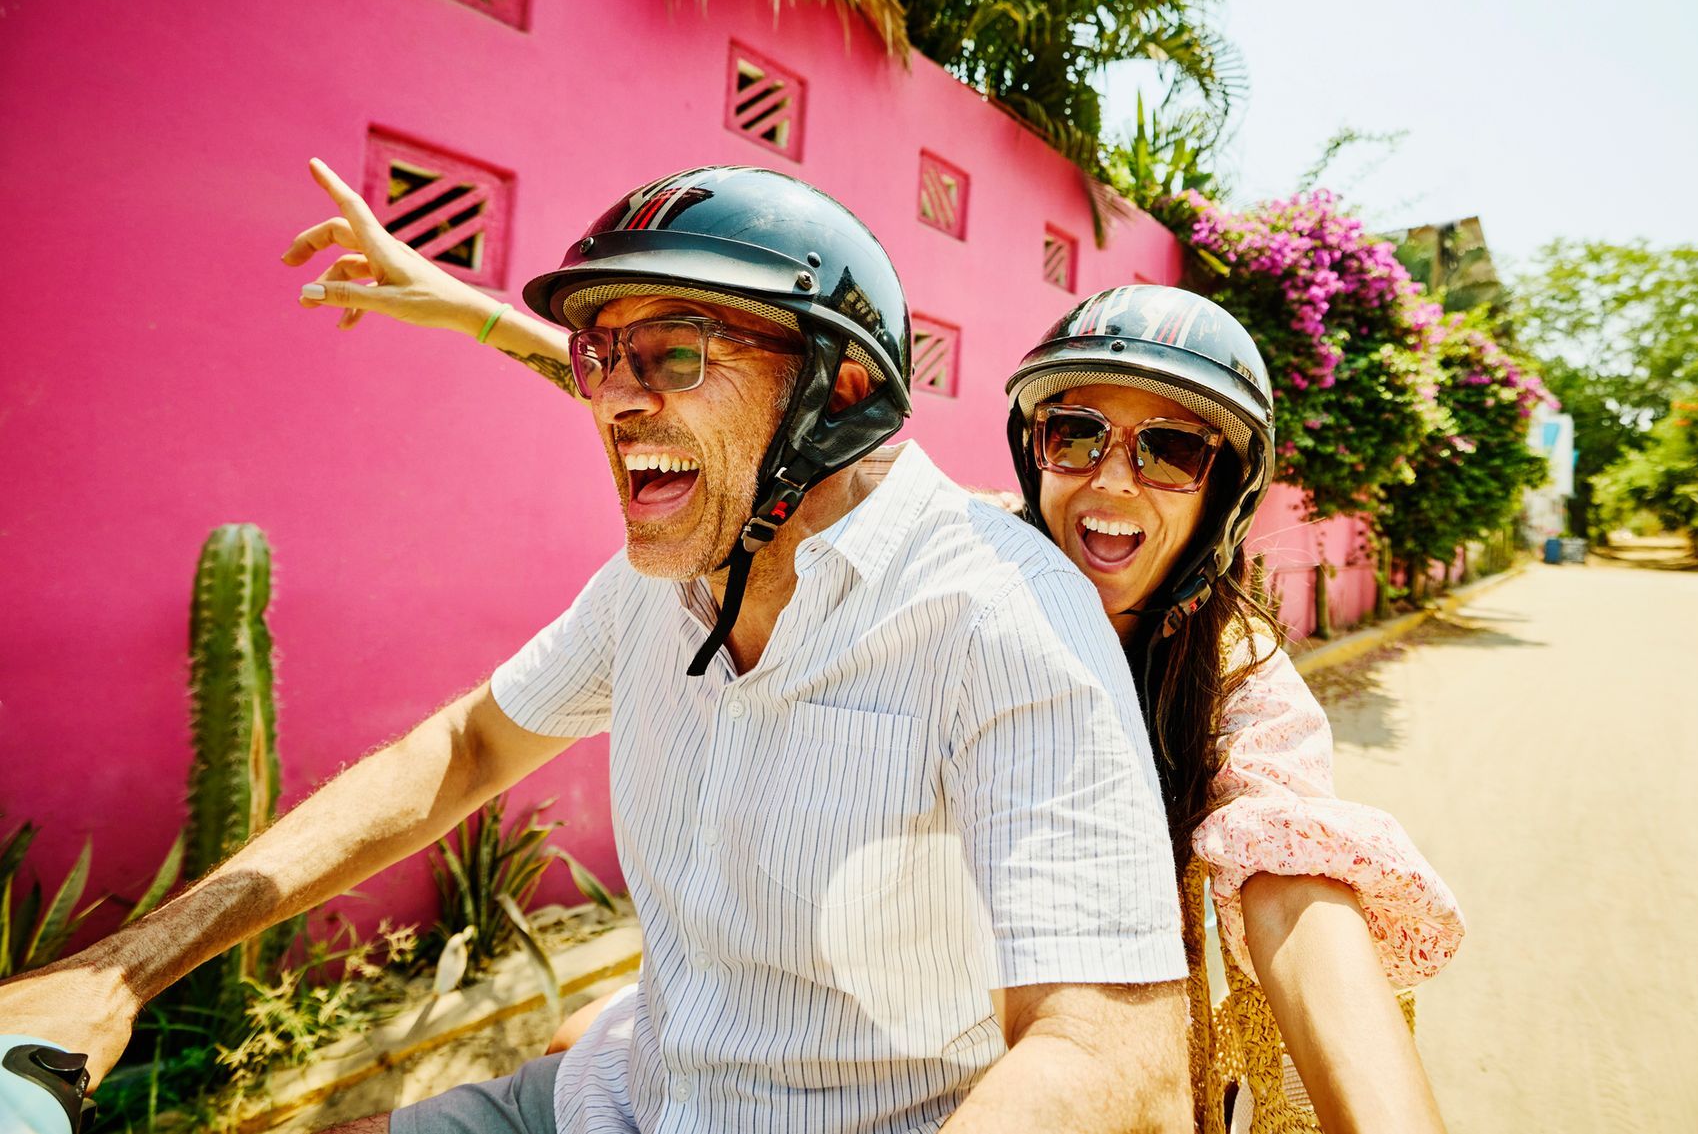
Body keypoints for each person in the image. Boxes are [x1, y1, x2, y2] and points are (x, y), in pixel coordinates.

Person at [0, 162, 1197, 1134]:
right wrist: (120, 969)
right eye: (599, 356)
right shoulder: (662, 579)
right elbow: (467, 749)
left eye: (674, 354)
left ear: (837, 390)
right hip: (609, 1100)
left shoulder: (1003, 616)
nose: (615, 400)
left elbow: (1112, 1049)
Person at [278, 178, 1465, 1133]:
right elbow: (726, 422)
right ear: (1031, 441)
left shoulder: (1235, 671)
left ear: (1223, 496)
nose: (1109, 478)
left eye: (1169, 452)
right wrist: (464, 304)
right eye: (1075, 431)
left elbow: (1295, 898)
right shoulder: (971, 569)